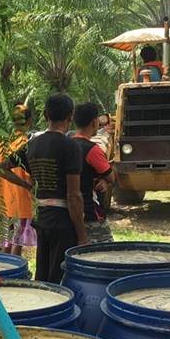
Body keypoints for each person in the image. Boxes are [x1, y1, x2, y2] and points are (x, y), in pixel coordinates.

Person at [0, 94, 86, 283]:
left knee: (42, 274)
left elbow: (2, 168)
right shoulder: (71, 146)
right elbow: (74, 196)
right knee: (60, 279)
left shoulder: (31, 145)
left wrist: (27, 184)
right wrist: (82, 235)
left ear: (46, 115)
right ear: (70, 116)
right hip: (63, 221)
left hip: (42, 217)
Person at [0, 105, 36, 255]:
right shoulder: (25, 145)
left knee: (6, 239)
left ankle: (5, 264)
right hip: (20, 198)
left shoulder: (0, 143)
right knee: (17, 241)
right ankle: (15, 265)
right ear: (29, 121)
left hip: (2, 200)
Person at [72, 102, 116, 243]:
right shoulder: (92, 149)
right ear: (94, 122)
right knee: (106, 250)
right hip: (90, 213)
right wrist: (104, 179)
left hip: (69, 213)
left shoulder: (67, 145)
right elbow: (111, 177)